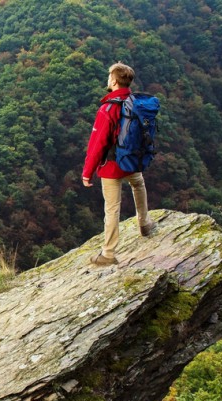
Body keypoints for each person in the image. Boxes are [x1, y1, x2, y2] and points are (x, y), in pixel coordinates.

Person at [81, 62, 155, 266]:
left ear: (113, 80)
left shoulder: (108, 108)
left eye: (109, 76)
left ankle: (108, 253)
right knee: (138, 185)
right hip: (132, 161)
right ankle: (145, 223)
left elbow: (97, 144)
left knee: (112, 208)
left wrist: (87, 172)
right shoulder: (136, 103)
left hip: (112, 165)